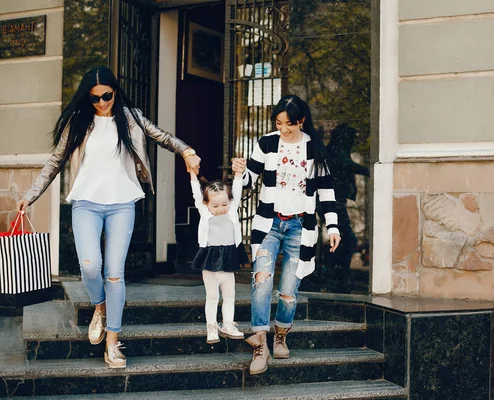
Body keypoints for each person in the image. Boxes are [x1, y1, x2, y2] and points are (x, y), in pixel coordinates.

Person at [16, 66, 200, 368]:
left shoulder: (131, 117)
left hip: (122, 203)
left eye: (107, 96)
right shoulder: (78, 123)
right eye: (94, 98)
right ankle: (100, 308)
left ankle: (113, 342)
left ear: (115, 90)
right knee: (90, 267)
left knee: (115, 272)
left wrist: (187, 151)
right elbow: (54, 162)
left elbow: (163, 137)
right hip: (86, 203)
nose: (101, 102)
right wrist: (30, 195)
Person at [232, 94, 341, 375]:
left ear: (301, 121)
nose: (283, 129)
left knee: (289, 291)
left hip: (300, 228)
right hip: (269, 224)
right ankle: (260, 343)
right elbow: (249, 181)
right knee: (261, 283)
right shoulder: (266, 143)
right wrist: (240, 172)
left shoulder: (314, 148)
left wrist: (333, 225)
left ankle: (281, 334)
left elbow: (327, 191)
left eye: (289, 124)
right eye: (279, 123)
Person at [189, 168, 247, 344]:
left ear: (229, 201)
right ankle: (211, 327)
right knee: (212, 296)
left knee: (230, 295)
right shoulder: (205, 211)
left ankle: (228, 324)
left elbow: (237, 190)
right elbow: (196, 194)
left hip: (228, 256)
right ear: (206, 204)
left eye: (224, 204)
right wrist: (192, 174)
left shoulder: (231, 210)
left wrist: (238, 175)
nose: (221, 209)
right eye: (215, 206)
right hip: (210, 257)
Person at [320, 123, 369, 293]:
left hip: (335, 201)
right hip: (331, 202)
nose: (353, 143)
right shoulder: (336, 150)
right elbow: (347, 164)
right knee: (346, 239)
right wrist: (370, 170)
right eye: (351, 139)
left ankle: (337, 274)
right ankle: (334, 273)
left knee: (345, 240)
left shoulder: (336, 149)